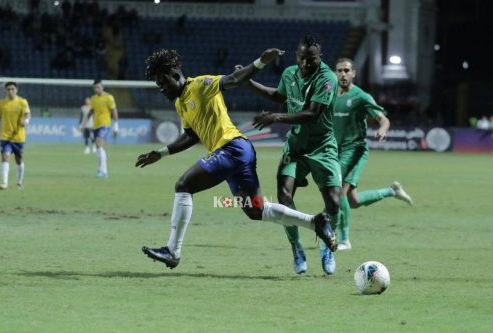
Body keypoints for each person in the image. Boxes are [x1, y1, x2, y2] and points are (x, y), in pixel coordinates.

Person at [136, 48, 337, 270]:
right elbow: (192, 136)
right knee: (255, 210)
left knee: (184, 185)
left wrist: (261, 61)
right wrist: (161, 153)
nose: (162, 89)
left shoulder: (200, 85)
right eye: (158, 86)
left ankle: (173, 250)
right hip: (237, 153)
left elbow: (233, 79)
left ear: (175, 75)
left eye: (163, 82)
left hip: (233, 148)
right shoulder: (179, 103)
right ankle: (315, 222)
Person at [237, 33, 342, 275]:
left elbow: (312, 114)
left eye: (311, 60)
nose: (306, 64)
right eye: (302, 59)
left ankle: (327, 244)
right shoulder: (289, 74)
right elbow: (277, 95)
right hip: (295, 146)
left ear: (320, 58)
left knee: (334, 202)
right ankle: (296, 247)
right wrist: (249, 83)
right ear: (297, 56)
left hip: (322, 147)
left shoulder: (327, 78)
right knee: (284, 197)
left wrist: (276, 117)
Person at [333, 58, 413, 251]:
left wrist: (383, 129)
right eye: (339, 71)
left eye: (346, 71)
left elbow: (383, 119)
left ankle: (344, 240)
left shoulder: (361, 96)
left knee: (338, 190)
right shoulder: (329, 94)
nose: (343, 74)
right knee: (353, 202)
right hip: (336, 151)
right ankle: (391, 191)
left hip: (355, 150)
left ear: (354, 73)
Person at [0, 82, 31, 190]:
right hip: (5, 136)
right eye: (8, 89)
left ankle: (19, 182)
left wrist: (25, 121)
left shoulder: (22, 102)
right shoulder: (1, 103)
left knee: (18, 160)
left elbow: (27, 114)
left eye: (12, 89)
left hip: (18, 137)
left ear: (16, 90)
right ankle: (4, 183)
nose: (10, 91)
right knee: (5, 157)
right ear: (6, 90)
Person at [80, 80, 119, 178]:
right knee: (99, 148)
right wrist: (83, 124)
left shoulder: (109, 97)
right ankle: (101, 170)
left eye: (98, 87)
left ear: (102, 87)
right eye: (95, 88)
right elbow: (90, 112)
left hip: (105, 125)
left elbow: (114, 111)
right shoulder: (93, 99)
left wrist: (116, 126)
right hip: (96, 126)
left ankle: (104, 171)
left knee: (98, 143)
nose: (96, 89)